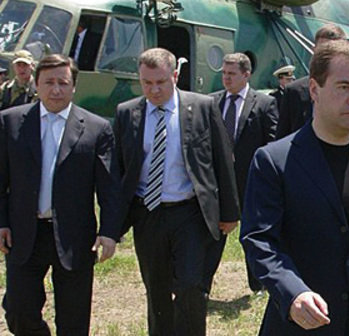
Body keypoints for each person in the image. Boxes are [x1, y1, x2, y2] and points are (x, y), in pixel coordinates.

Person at [241, 39, 349, 336]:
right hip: (300, 323)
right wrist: (293, 293)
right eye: (344, 87)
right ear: (314, 90)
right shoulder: (274, 160)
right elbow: (260, 240)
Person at [113, 48, 239, 336]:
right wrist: (113, 224)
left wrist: (230, 212)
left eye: (161, 82)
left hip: (189, 212)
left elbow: (222, 160)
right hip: (149, 213)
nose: (154, 90)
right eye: (147, 83)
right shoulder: (127, 113)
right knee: (156, 288)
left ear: (175, 76)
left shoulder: (202, 106)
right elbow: (119, 171)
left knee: (191, 285)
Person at [0, 54, 120, 335]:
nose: (56, 90)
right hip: (24, 233)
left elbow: (110, 186)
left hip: (75, 236)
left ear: (74, 86)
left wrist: (110, 231)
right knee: (18, 310)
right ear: (36, 84)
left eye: (63, 83)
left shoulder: (96, 128)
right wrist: (1, 221)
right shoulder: (10, 123)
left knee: (74, 319)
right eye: (49, 82)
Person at [207, 52, 278, 293]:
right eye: (224, 74)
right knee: (212, 235)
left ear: (246, 75)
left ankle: (257, 285)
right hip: (218, 183)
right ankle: (202, 282)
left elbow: (272, 142)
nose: (226, 79)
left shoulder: (264, 103)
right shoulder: (211, 102)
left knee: (252, 235)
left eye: (232, 74)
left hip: (250, 182)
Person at [275, 23, 346, 139]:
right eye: (323, 50)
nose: (328, 57)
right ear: (314, 50)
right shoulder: (294, 92)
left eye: (335, 51)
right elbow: (282, 137)